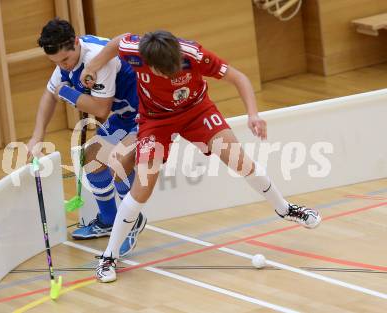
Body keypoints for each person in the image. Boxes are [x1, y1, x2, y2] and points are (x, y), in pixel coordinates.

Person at [81, 30, 321, 282]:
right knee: (142, 188)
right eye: (166, 72)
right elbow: (118, 41)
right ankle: (109, 256)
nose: (173, 75)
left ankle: (285, 209)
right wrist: (95, 66)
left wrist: (253, 114)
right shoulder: (135, 50)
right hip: (155, 120)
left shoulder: (195, 55)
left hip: (197, 111)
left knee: (240, 160)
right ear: (148, 63)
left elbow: (238, 78)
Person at [27, 18, 146, 256]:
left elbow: (101, 109)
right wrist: (37, 136)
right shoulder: (65, 60)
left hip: (146, 113)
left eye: (66, 60)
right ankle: (109, 220)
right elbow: (50, 95)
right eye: (57, 62)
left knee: (118, 162)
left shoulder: (97, 59)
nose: (64, 67)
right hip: (124, 115)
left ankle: (132, 221)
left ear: (75, 43)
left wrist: (68, 93)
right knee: (91, 159)